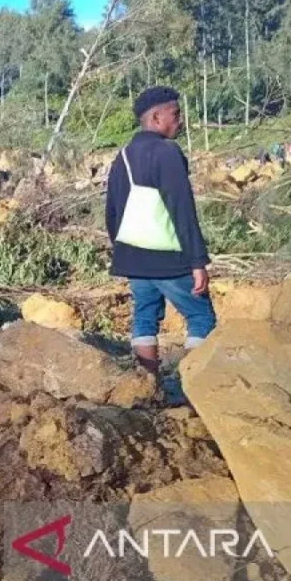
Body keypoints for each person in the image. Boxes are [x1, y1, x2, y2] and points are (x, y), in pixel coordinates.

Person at [105, 86, 216, 378]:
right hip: (170, 258)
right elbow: (182, 208)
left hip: (134, 256)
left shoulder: (123, 156)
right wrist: (197, 261)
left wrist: (124, 250)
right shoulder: (168, 152)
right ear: (156, 118)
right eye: (175, 114)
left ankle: (148, 385)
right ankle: (193, 387)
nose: (180, 121)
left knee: (144, 317)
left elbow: (112, 211)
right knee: (201, 317)